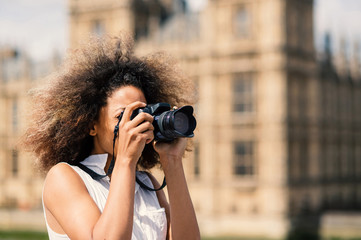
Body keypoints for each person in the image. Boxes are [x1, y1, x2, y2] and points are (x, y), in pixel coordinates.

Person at [24, 34, 200, 240]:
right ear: (91, 125)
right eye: (122, 115)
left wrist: (172, 161)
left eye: (141, 114)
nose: (134, 124)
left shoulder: (147, 184)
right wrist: (125, 161)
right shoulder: (64, 177)